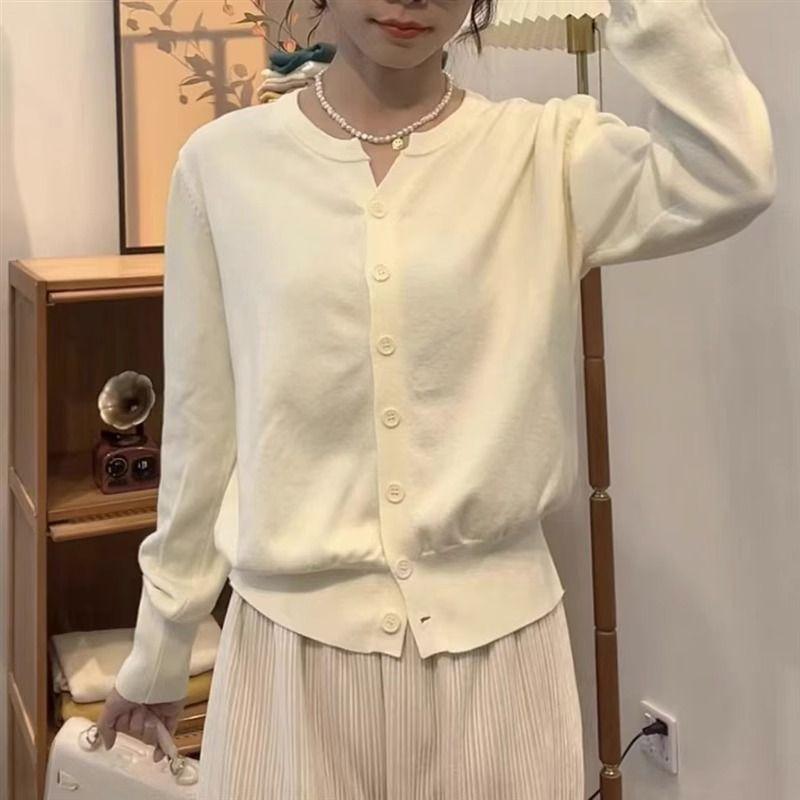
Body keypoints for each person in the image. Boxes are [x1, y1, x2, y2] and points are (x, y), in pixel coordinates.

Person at [97, 0, 776, 798]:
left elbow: (731, 170)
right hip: (291, 665)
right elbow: (201, 427)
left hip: (499, 666)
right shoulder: (224, 166)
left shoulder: (544, 151)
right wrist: (162, 647)